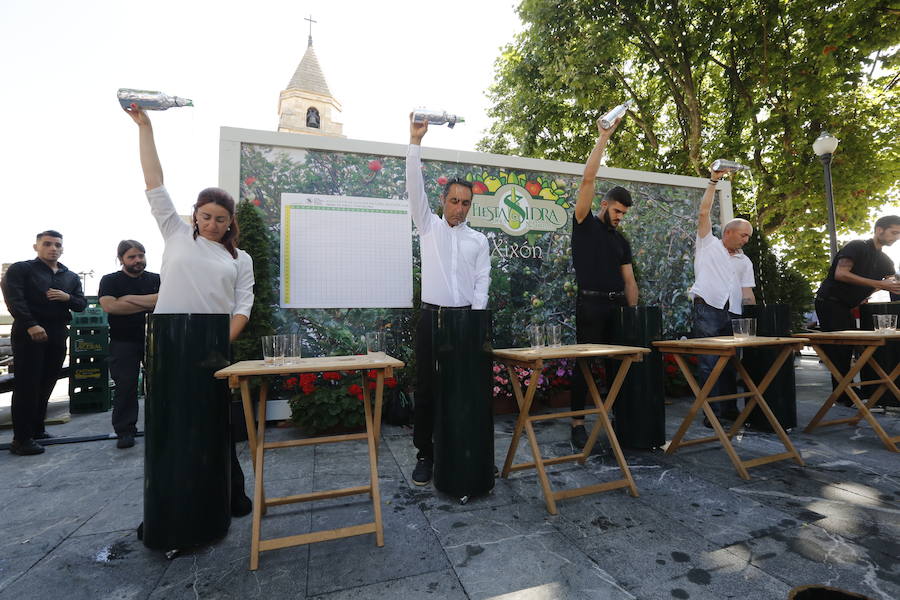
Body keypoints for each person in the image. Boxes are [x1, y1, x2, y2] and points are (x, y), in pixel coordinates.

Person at [125, 105, 254, 517]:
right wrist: (146, 128)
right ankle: (167, 509)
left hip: (213, 350)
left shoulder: (240, 258)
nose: (213, 224)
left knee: (217, 425)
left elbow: (242, 306)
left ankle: (229, 495)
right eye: (206, 216)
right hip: (167, 345)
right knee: (168, 427)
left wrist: (218, 344)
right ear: (195, 215)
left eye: (221, 219)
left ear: (230, 222)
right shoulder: (176, 234)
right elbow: (153, 182)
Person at [406, 113, 491, 486]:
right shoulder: (428, 227)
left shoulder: (479, 241)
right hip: (431, 319)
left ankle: (460, 448)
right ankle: (426, 453)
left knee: (463, 390)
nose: (459, 208)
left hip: (465, 322)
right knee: (427, 388)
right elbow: (414, 188)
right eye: (455, 201)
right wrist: (415, 141)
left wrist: (475, 321)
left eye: (466, 203)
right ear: (444, 200)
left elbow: (482, 282)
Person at [569, 115, 638, 449]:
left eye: (623, 214)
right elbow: (588, 178)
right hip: (590, 304)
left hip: (616, 307)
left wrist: (632, 313)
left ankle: (615, 421)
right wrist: (603, 138)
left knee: (617, 367)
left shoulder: (621, 241)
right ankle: (577, 425)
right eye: (616, 211)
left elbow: (630, 279)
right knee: (585, 366)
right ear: (604, 204)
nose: (619, 217)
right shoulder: (584, 224)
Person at [1, 231, 87, 455]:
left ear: (62, 249)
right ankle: (21, 439)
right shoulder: (22, 269)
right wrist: (30, 324)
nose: (53, 248)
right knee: (27, 385)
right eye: (47, 244)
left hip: (58, 333)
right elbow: (14, 297)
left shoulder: (70, 277)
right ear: (36, 247)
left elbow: (81, 304)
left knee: (47, 382)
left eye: (58, 245)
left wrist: (66, 297)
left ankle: (37, 429)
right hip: (30, 332)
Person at [689, 165, 756, 423]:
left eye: (748, 236)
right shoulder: (709, 245)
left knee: (730, 363)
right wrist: (713, 181)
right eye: (743, 235)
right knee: (708, 362)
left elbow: (747, 292)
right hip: (707, 310)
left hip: (734, 314)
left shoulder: (744, 261)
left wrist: (753, 318)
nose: (746, 240)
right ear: (728, 232)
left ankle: (729, 410)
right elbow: (704, 212)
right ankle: (711, 414)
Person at [815, 216, 900, 405]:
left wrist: (870, 291)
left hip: (848, 306)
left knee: (853, 347)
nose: (897, 237)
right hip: (829, 301)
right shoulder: (857, 246)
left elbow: (892, 285)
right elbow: (841, 273)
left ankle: (848, 392)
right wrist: (878, 284)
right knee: (840, 350)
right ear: (879, 230)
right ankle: (844, 395)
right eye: (894, 232)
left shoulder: (886, 260)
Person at [98, 240, 160, 449]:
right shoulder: (110, 280)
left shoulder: (157, 279)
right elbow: (111, 306)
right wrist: (147, 302)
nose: (137, 260)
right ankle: (125, 431)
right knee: (126, 386)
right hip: (122, 342)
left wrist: (129, 299)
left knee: (160, 385)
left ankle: (161, 426)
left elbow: (163, 300)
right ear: (121, 259)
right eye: (132, 257)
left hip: (154, 341)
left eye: (141, 256)